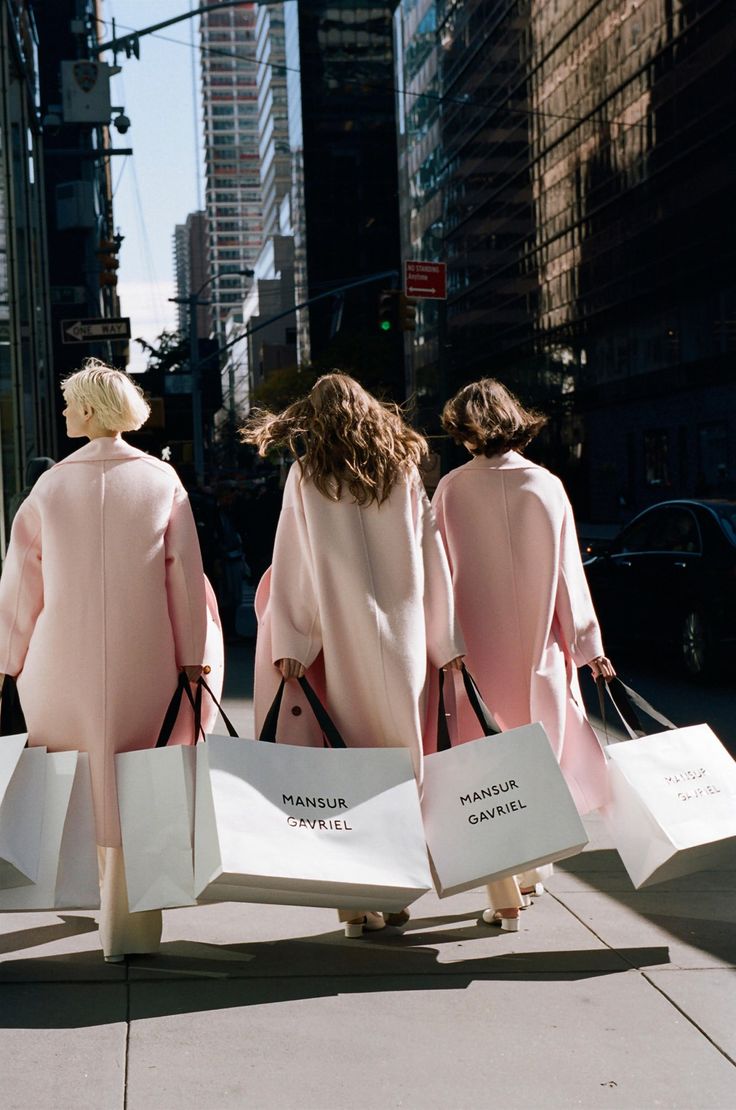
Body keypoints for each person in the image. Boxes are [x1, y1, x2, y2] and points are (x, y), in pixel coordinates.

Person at [0, 359, 223, 961]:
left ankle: (76, 894)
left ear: (92, 411)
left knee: (76, 782)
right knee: (135, 783)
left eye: (72, 403)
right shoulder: (160, 481)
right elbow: (184, 577)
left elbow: (23, 582)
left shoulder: (51, 486)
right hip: (145, 657)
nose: (66, 412)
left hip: (60, 662)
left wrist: (7, 658)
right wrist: (193, 659)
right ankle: (127, 926)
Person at [242, 372, 465, 938]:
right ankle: (393, 888)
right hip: (406, 641)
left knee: (347, 764)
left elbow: (297, 562)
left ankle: (353, 902)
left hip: (343, 642)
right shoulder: (403, 471)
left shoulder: (307, 476)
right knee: (401, 762)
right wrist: (447, 642)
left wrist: (293, 640)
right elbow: (432, 557)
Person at [432, 378, 615, 931]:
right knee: (539, 761)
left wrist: (443, 645)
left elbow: (437, 578)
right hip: (540, 650)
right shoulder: (547, 485)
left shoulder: (451, 491)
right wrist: (587, 645)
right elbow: (567, 575)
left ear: (463, 430)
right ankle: (529, 873)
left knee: (485, 772)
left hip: (473, 655)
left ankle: (505, 891)